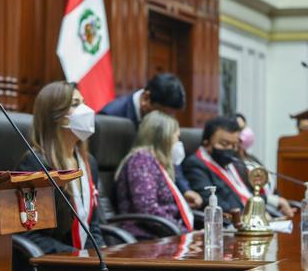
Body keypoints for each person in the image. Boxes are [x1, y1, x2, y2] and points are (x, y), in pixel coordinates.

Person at [16, 81, 106, 254]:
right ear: (55, 116)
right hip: (52, 262)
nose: (86, 110)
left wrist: (102, 258)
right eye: (75, 104)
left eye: (84, 102)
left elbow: (93, 226)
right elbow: (30, 234)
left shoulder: (89, 164)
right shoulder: (35, 165)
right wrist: (77, 257)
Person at [100, 73, 202, 210]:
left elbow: (168, 153)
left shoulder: (160, 115)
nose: (166, 119)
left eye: (171, 115)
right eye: (163, 113)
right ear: (146, 98)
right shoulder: (111, 117)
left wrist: (184, 190)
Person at [114, 111, 194, 239]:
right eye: (176, 138)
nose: (179, 143)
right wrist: (183, 231)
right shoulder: (141, 161)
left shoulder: (157, 162)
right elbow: (148, 209)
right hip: (146, 238)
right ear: (164, 137)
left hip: (166, 234)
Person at [182, 116, 251, 212]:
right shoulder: (195, 165)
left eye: (234, 145)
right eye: (224, 144)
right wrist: (245, 216)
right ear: (206, 142)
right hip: (228, 222)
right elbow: (210, 202)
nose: (230, 149)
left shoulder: (232, 163)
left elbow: (246, 192)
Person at [235, 114, 294, 217]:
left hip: (273, 211)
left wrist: (280, 205)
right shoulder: (232, 163)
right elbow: (246, 194)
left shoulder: (251, 158)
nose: (245, 132)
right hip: (256, 214)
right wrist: (276, 201)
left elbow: (268, 182)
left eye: (244, 127)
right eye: (239, 129)